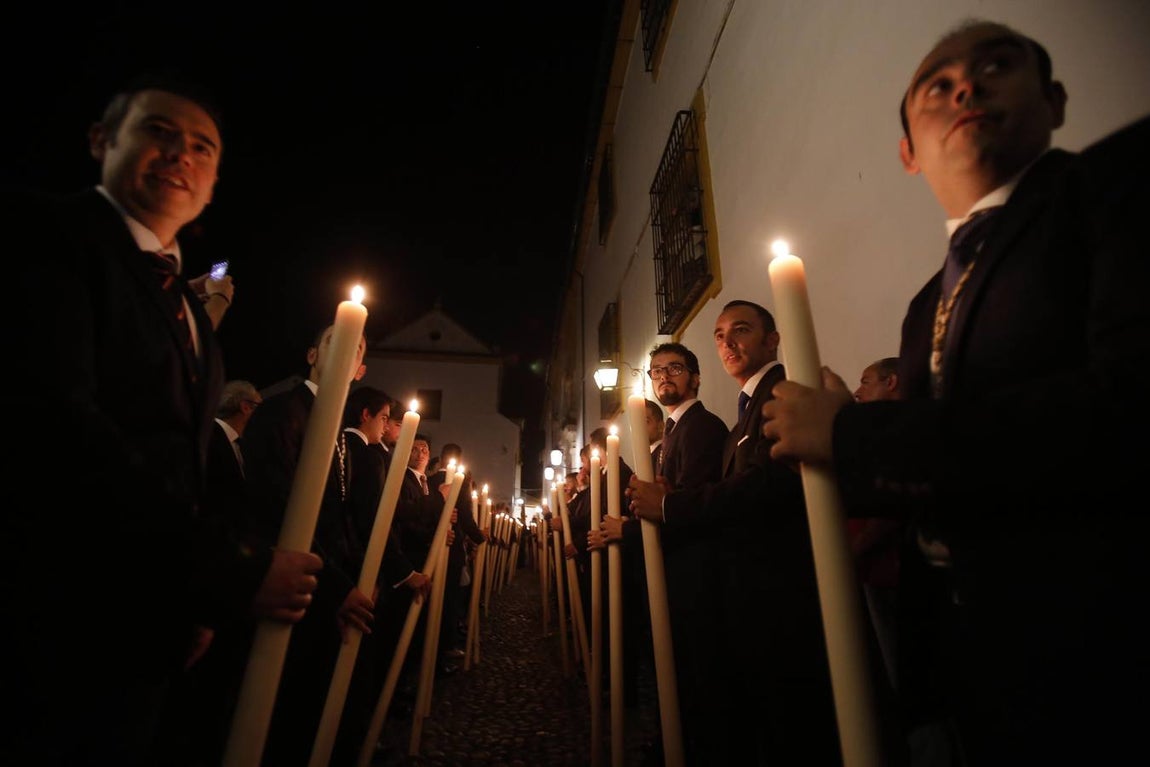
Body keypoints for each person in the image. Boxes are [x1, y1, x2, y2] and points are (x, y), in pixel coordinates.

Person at [760, 20, 1149, 764]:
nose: (966, 86)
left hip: (1104, 653)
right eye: (937, 86)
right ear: (908, 151)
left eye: (996, 65)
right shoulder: (924, 306)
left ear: (1055, 99)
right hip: (969, 669)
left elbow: (1124, 411)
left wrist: (850, 435)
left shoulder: (1119, 186)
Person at [3, 73, 322, 766]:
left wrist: (194, 598)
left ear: (214, 181)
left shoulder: (192, 317)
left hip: (142, 630)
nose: (182, 153)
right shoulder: (44, 237)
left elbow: (185, 462)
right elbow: (59, 430)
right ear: (101, 140)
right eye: (158, 131)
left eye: (203, 146)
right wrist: (230, 571)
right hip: (46, 617)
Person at [626, 301, 842, 765]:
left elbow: (766, 482)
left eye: (740, 330)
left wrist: (668, 504)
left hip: (773, 580)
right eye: (720, 335)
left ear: (772, 339)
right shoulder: (744, 410)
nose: (727, 342)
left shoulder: (779, 393)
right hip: (745, 582)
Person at [240, 324, 376, 767]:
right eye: (335, 339)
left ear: (359, 370)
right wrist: (337, 586)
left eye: (356, 347)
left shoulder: (337, 428)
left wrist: (357, 578)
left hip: (329, 589)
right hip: (291, 586)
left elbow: (340, 513)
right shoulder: (282, 412)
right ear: (312, 354)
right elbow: (277, 504)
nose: (346, 349)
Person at [848, 358, 905, 694]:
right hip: (872, 572)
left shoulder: (900, 432)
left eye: (866, 382)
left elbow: (890, 504)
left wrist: (852, 550)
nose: (857, 392)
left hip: (893, 571)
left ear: (892, 382)